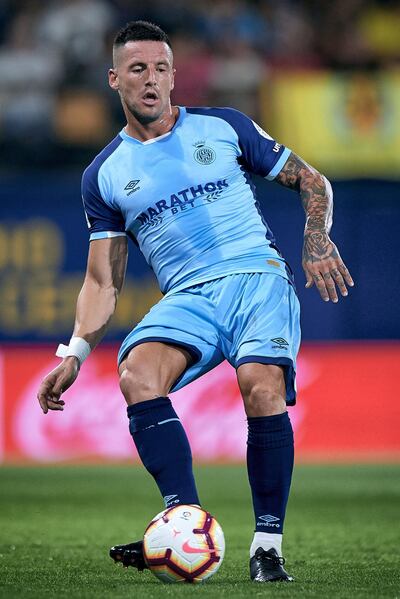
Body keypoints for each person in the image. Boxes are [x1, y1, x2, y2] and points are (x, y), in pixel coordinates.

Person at [37, 20, 354, 583]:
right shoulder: (104, 175)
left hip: (257, 276)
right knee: (136, 374)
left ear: (174, 75)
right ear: (115, 80)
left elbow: (313, 181)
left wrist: (317, 239)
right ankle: (183, 520)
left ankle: (267, 545)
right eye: (138, 70)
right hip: (187, 297)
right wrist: (75, 352)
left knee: (261, 387)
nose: (152, 80)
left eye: (161, 68)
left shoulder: (224, 126)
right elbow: (101, 282)